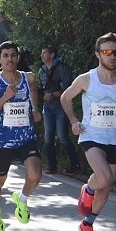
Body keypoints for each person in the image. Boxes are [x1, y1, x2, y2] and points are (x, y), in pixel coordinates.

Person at [61, 33, 116, 231]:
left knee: (106, 187)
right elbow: (65, 97)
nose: (112, 56)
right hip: (91, 136)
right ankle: (87, 190)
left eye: (115, 52)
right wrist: (73, 121)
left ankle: (87, 224)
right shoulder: (86, 79)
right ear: (98, 55)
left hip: (115, 138)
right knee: (103, 178)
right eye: (107, 52)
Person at [0, 41, 42, 231]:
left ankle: (22, 200)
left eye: (13, 55)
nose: (9, 59)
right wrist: (5, 97)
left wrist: (35, 109)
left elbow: (33, 90)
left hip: (26, 137)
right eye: (5, 55)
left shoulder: (28, 78)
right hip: (3, 142)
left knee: (35, 174)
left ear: (18, 58)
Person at [39, 45, 78, 175]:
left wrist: (56, 93)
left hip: (61, 106)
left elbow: (69, 86)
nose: (42, 55)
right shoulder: (41, 71)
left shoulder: (62, 68)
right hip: (48, 107)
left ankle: (75, 165)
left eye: (44, 53)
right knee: (48, 138)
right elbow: (40, 88)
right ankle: (52, 165)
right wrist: (43, 95)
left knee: (62, 137)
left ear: (52, 55)